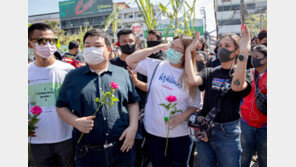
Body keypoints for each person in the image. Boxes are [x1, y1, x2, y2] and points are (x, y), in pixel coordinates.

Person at [56, 29, 140, 167]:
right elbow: (61, 106)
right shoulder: (73, 77)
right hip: (88, 153)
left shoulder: (123, 74)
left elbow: (132, 102)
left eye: (97, 45)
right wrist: (76, 121)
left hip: (122, 148)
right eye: (87, 46)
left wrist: (132, 128)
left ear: (109, 48)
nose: (91, 49)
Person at [126, 34, 203, 167]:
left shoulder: (190, 76)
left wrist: (183, 116)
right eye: (171, 46)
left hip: (181, 135)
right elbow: (130, 60)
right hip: (154, 132)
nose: (172, 51)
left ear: (187, 54)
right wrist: (155, 48)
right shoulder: (156, 66)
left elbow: (196, 105)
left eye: (178, 49)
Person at [185, 25, 253, 166]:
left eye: (227, 45)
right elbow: (192, 80)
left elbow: (237, 86)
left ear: (237, 51)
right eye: (220, 45)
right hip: (205, 130)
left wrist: (244, 53)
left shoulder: (244, 73)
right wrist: (188, 51)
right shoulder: (210, 71)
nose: (221, 49)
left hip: (228, 133)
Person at [28, 23, 75, 166]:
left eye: (52, 41)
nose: (47, 45)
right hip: (37, 141)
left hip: (67, 138)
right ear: (30, 44)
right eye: (41, 41)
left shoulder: (68, 70)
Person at [110, 29, 150, 167]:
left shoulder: (145, 64)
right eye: (124, 42)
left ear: (136, 42)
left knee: (139, 150)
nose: (128, 44)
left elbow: (153, 88)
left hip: (141, 113)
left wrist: (137, 83)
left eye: (131, 41)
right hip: (118, 114)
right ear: (118, 44)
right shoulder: (111, 64)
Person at [240, 45, 267, 167]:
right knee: (244, 155)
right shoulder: (249, 73)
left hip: (265, 127)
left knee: (265, 157)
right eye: (252, 56)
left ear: (266, 59)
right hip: (246, 124)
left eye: (257, 56)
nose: (253, 59)